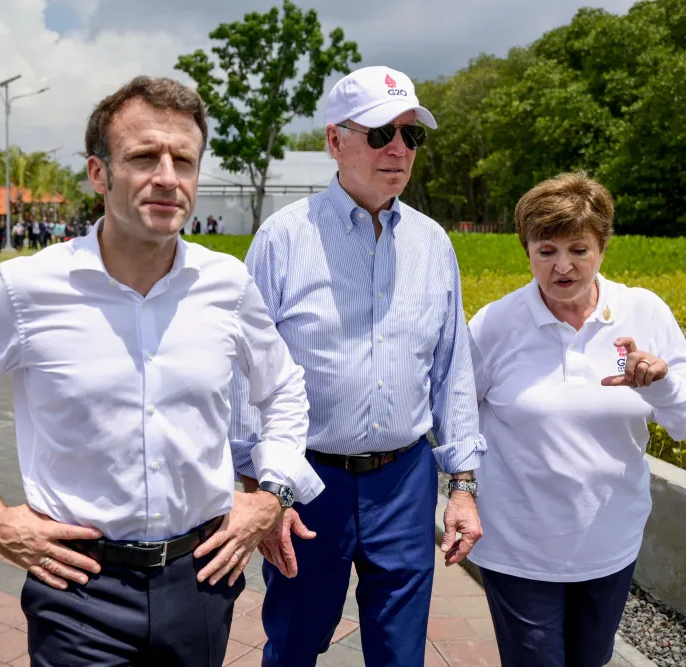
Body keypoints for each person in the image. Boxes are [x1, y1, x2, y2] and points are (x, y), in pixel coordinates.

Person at [0, 75, 323, 667]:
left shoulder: (226, 285)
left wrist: (274, 493)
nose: (167, 178)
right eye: (144, 157)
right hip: (79, 585)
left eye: (184, 160)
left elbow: (283, 389)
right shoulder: (27, 290)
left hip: (201, 577)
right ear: (99, 174)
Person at [229, 65, 485, 667]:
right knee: (296, 640)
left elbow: (452, 371)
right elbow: (245, 375)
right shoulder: (283, 240)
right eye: (379, 134)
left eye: (410, 136)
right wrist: (259, 490)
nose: (397, 149)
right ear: (334, 141)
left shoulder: (432, 244)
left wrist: (464, 487)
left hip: (404, 479)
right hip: (307, 482)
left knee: (400, 653)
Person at [467, 172, 686, 667]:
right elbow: (455, 419)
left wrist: (662, 383)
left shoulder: (643, 311)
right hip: (518, 546)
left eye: (579, 249)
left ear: (602, 247)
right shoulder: (495, 324)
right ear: (526, 250)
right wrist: (462, 491)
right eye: (546, 250)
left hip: (610, 543)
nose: (563, 266)